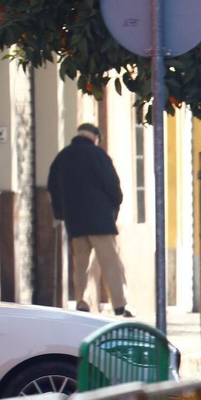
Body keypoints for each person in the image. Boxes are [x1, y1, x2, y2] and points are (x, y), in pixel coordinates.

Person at [48, 123, 133, 317]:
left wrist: (60, 213)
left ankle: (82, 302)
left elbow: (52, 186)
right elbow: (113, 185)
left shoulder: (62, 157)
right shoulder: (99, 156)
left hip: (74, 221)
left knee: (81, 265)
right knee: (110, 262)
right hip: (100, 220)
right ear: (95, 137)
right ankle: (119, 304)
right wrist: (115, 206)